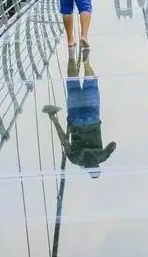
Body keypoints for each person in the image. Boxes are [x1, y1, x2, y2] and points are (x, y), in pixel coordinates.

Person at [42, 49, 116, 178]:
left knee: (91, 84)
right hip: (75, 118)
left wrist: (107, 152)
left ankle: (86, 63)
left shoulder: (101, 157)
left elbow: (113, 144)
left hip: (92, 116)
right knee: (72, 83)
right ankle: (71, 55)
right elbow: (64, 140)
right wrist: (54, 119)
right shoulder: (75, 160)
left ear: (97, 166)